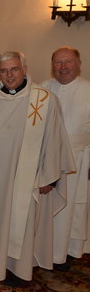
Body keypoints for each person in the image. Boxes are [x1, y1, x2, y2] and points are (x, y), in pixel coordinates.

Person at [0, 51, 75, 287]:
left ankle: (18, 269)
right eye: (4, 71)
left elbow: (53, 139)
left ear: (24, 69)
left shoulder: (44, 100)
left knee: (22, 221)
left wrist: (50, 177)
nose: (9, 75)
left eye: (14, 69)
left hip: (27, 177)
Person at [42, 47, 90, 270]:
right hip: (47, 160)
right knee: (46, 207)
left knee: (71, 206)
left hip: (78, 161)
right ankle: (43, 248)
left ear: (78, 63)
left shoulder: (88, 90)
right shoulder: (43, 88)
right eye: (58, 62)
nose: (63, 67)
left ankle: (66, 252)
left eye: (68, 62)